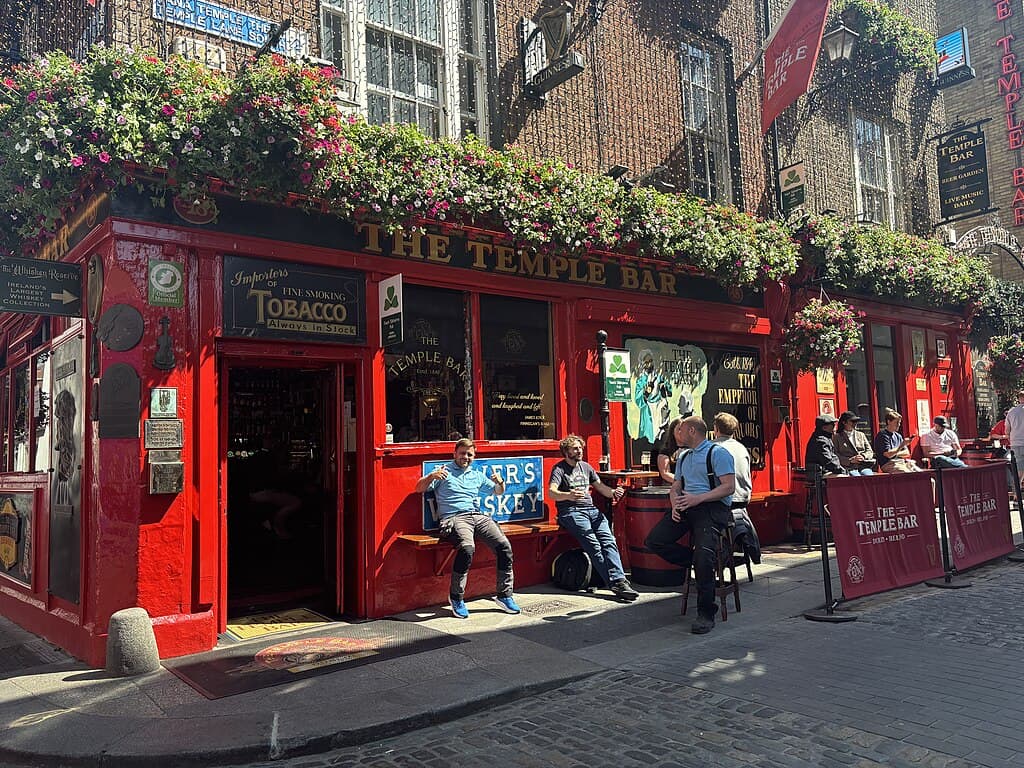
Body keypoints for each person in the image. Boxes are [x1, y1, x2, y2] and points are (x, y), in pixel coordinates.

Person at [644, 416, 735, 635]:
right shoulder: (684, 456)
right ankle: (699, 562)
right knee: (655, 540)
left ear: (693, 431)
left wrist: (699, 498)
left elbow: (729, 487)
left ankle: (706, 613)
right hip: (687, 506)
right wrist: (674, 503)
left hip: (711, 507)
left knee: (704, 557)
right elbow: (676, 486)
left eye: (681, 430)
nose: (678, 434)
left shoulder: (718, 453)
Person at [414, 438, 520, 619]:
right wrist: (431, 477)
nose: (466, 457)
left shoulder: (476, 474)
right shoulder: (443, 472)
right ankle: (456, 597)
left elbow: (497, 491)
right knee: (467, 548)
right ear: (454, 454)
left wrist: (501, 482)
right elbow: (418, 488)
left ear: (474, 456)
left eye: (470, 454)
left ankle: (504, 595)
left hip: (477, 515)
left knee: (504, 546)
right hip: (454, 517)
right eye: (462, 453)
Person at [548, 435, 640, 602]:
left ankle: (619, 581)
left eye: (580, 448)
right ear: (566, 452)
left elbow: (601, 488)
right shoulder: (559, 469)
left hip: (591, 509)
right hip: (571, 511)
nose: (579, 451)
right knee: (594, 544)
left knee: (609, 540)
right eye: (575, 449)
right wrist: (568, 495)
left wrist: (613, 493)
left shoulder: (586, 467)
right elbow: (551, 492)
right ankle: (616, 584)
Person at [712, 412, 761, 565]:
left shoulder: (713, 448)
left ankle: (714, 558)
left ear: (716, 429)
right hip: (743, 500)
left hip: (724, 502)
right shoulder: (741, 448)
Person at [833, 410, 876, 475]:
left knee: (869, 476)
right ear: (844, 423)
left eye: (856, 421)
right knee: (855, 476)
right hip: (848, 467)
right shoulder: (837, 437)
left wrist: (863, 456)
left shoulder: (861, 435)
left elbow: (869, 451)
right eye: (852, 421)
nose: (855, 423)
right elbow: (835, 454)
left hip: (863, 465)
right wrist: (850, 460)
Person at [656, 417, 685, 484]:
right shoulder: (666, 451)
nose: (682, 432)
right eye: (679, 429)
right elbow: (665, 473)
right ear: (672, 431)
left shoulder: (692, 449)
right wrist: (683, 483)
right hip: (672, 488)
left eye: (684, 430)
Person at [1005, 390, 1024, 482]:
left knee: (1019, 470)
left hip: (1016, 443)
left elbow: (1007, 430)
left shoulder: (1011, 412)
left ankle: (1016, 492)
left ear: (1019, 399)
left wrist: (1010, 439)